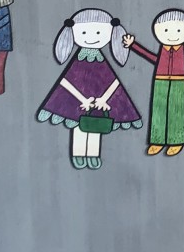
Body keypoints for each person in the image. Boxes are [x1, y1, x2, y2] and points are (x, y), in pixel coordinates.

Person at [36, 10, 140, 170]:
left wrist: (104, 99)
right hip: (78, 101)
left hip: (98, 102)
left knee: (95, 127)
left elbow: (113, 83)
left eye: (98, 33)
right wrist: (82, 99)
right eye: (84, 32)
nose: (92, 37)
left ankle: (92, 154)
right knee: (79, 127)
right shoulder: (79, 61)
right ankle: (78, 153)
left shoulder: (101, 62)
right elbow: (66, 82)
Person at [122, 9, 184, 157]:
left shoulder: (180, 50)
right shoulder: (163, 50)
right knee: (158, 111)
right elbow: (151, 57)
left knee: (177, 111)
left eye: (178, 30)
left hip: (179, 82)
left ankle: (176, 141)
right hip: (160, 80)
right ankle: (157, 140)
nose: (172, 35)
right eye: (165, 30)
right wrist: (133, 45)